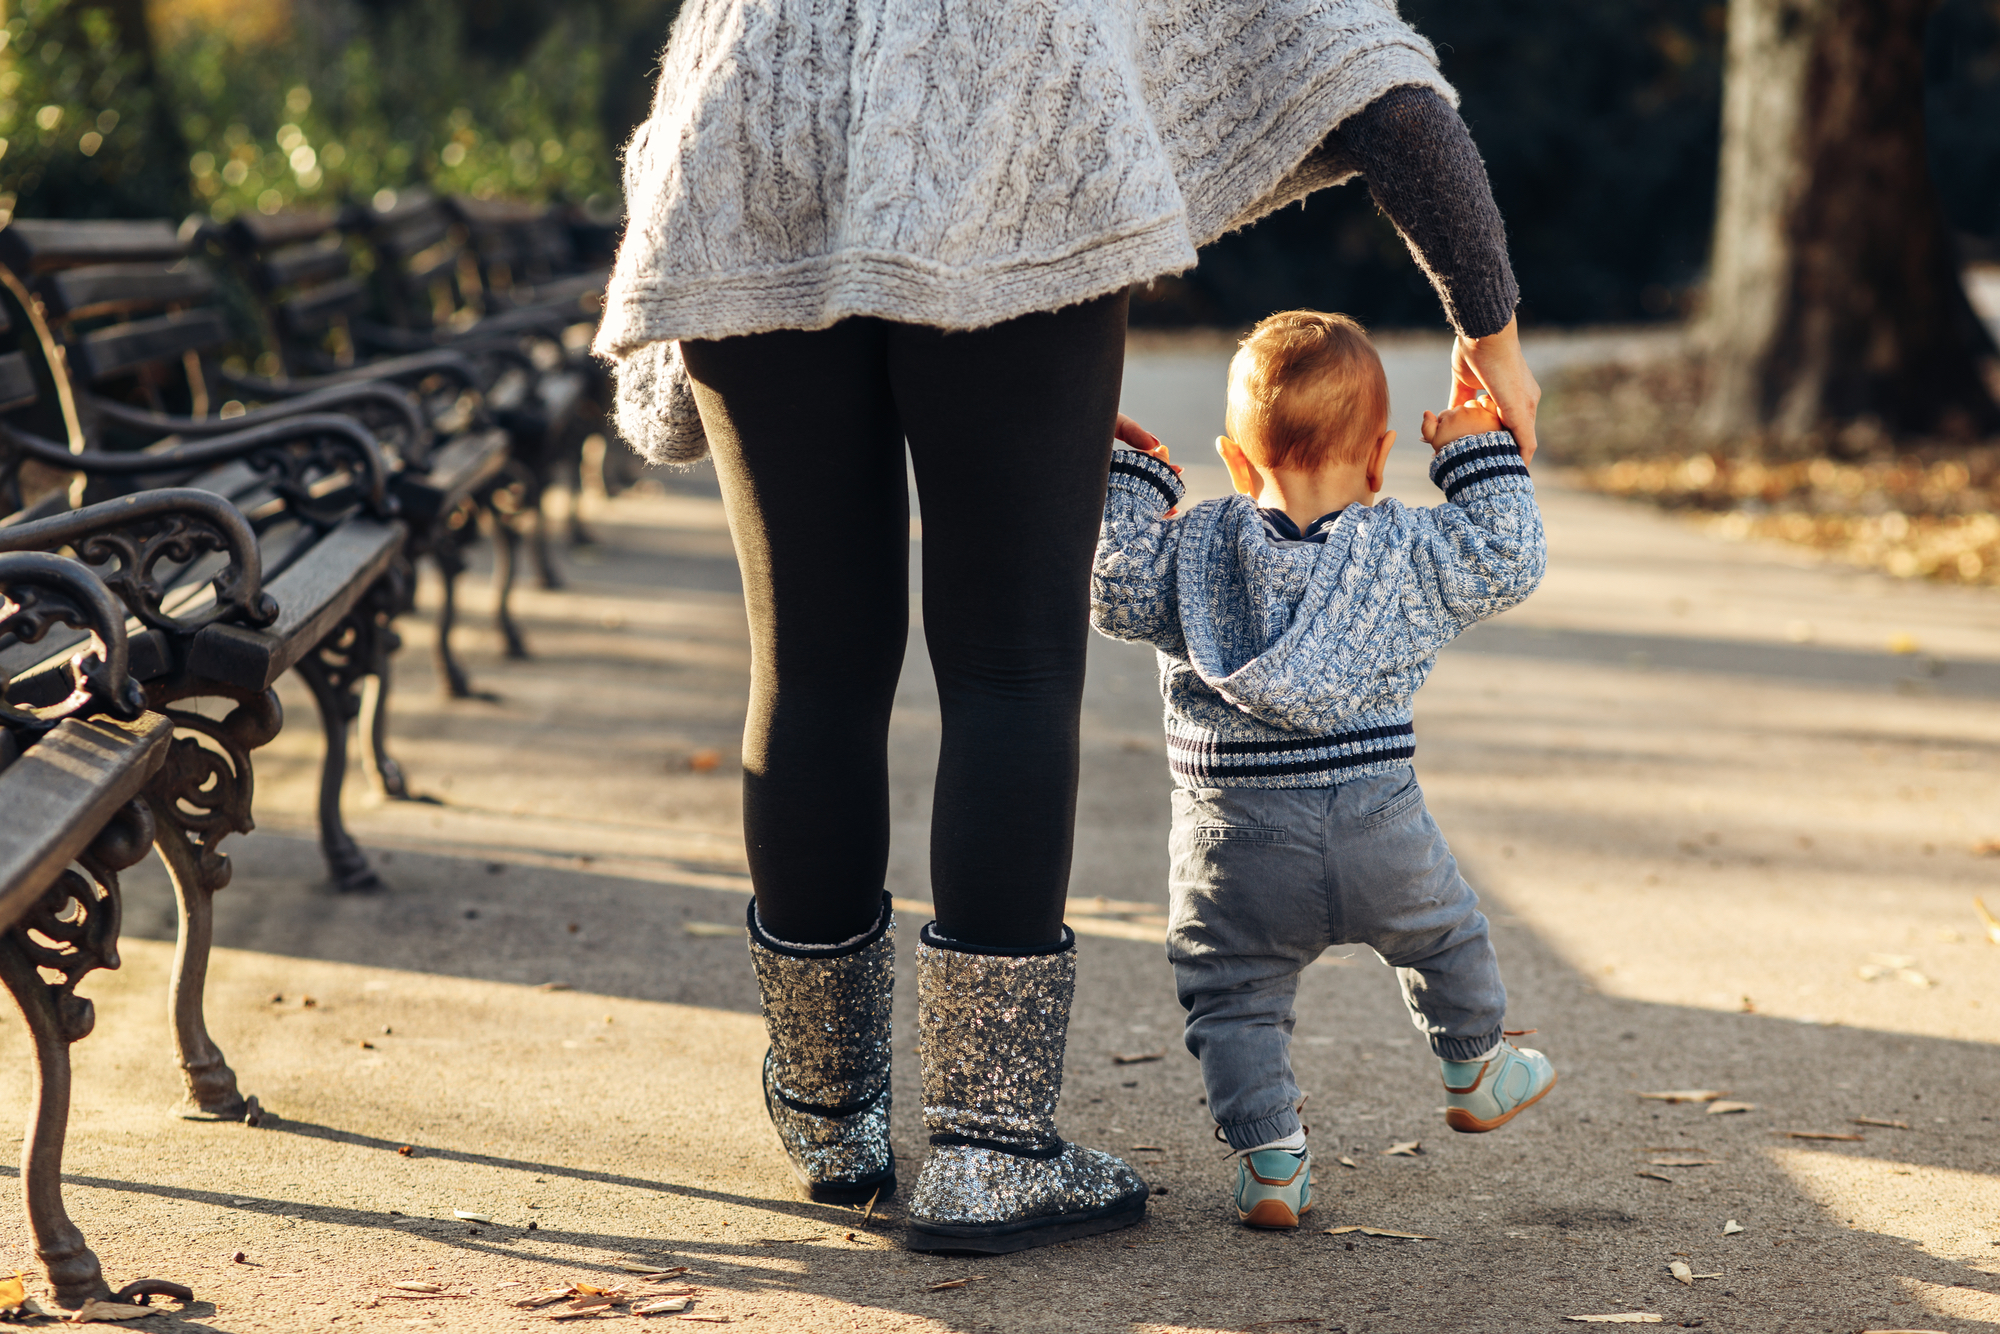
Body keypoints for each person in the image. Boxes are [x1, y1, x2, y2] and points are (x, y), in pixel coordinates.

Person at [592, 0, 1542, 1255]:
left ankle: (829, 1115)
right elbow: (1369, 76)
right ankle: (988, 1152)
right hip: (1016, 156)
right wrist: (1492, 336)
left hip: (746, 146)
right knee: (1008, 665)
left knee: (810, 664)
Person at [1091, 310, 1557, 1230]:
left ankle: (1270, 1159)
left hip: (1234, 845)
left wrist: (1126, 477)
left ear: (1234, 462)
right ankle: (1475, 1063)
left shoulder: (1192, 550)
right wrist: (1475, 453)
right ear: (1381, 461)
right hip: (1380, 828)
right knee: (1447, 935)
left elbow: (1113, 586)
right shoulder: (1408, 552)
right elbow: (1510, 555)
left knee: (1231, 997)